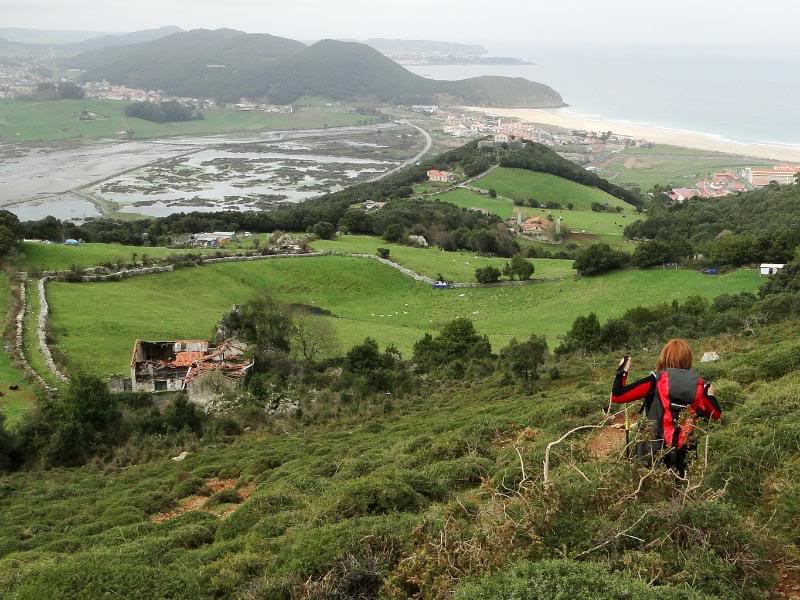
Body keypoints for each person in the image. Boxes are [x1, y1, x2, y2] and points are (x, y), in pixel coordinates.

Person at [610, 339, 721, 477]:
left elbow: (618, 396)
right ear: (688, 359)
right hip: (686, 452)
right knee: (682, 490)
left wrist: (623, 371)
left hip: (653, 451)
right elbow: (715, 414)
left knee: (652, 491)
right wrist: (710, 396)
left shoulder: (655, 381)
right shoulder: (699, 386)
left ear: (664, 357)